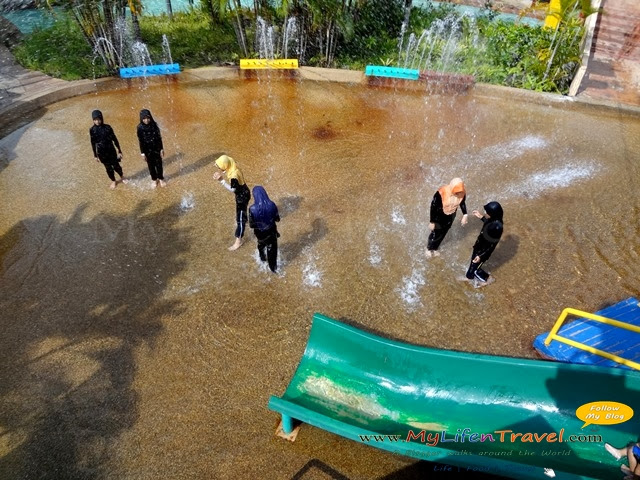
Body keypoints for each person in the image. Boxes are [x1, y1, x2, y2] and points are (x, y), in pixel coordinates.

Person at [213, 155, 251, 251]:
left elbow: (233, 189)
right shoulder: (233, 165)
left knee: (240, 219)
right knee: (242, 213)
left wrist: (221, 181)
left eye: (219, 167)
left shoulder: (233, 176)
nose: (218, 168)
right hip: (244, 192)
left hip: (241, 197)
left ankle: (238, 241)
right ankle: (245, 219)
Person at [426, 177, 468, 257]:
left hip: (451, 215)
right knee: (435, 232)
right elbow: (433, 207)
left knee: (443, 232)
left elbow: (462, 203)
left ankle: (435, 248)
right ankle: (429, 248)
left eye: (460, 192)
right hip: (439, 215)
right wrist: (432, 221)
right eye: (456, 192)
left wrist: (465, 215)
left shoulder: (462, 192)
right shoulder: (441, 193)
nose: (458, 194)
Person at [465, 201, 503, 285]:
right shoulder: (494, 219)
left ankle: (487, 279)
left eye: (487, 212)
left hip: (483, 252)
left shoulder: (497, 227)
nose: (485, 213)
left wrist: (480, 256)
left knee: (473, 270)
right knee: (473, 264)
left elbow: (491, 246)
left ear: (493, 214)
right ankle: (470, 276)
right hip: (479, 246)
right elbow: (488, 222)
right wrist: (481, 217)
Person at [89, 110, 126, 189]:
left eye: (99, 119)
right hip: (101, 152)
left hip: (111, 150)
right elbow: (93, 143)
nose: (97, 122)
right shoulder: (92, 130)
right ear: (93, 120)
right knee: (108, 168)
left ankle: (122, 176)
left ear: (102, 118)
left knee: (116, 165)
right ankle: (113, 180)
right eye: (95, 120)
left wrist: (119, 150)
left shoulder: (107, 127)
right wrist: (95, 156)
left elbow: (114, 139)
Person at [249, 186, 280, 273]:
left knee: (260, 245)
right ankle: (273, 270)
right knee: (272, 251)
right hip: (271, 233)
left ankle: (262, 259)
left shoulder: (252, 209)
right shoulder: (272, 205)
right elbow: (277, 219)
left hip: (259, 233)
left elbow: (251, 225)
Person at [137, 109, 165, 188]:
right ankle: (154, 179)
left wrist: (161, 149)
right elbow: (141, 141)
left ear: (150, 117)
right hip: (147, 150)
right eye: (144, 118)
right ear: (141, 118)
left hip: (156, 148)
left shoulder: (154, 125)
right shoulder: (140, 128)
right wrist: (142, 153)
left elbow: (159, 138)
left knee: (159, 165)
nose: (146, 120)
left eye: (148, 118)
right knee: (151, 166)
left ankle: (161, 178)